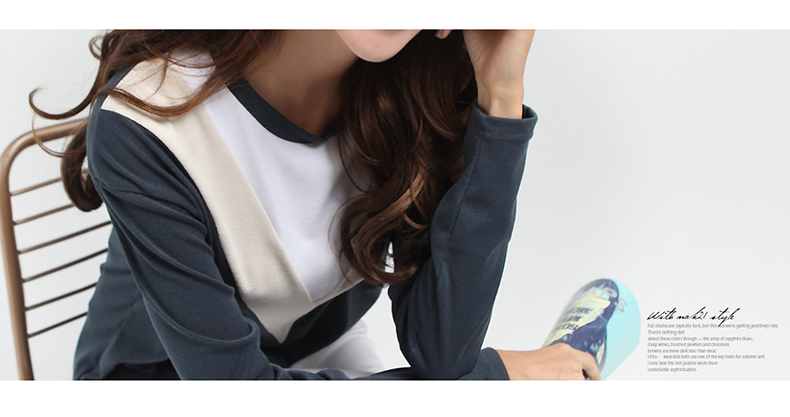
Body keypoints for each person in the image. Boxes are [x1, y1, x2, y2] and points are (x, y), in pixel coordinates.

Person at [31, 29, 600, 380]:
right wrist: (497, 380)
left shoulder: (406, 95)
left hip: (315, 359)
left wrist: (500, 93)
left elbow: (443, 354)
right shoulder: (147, 120)